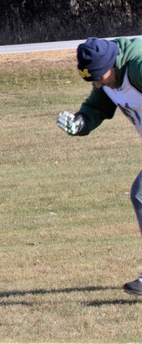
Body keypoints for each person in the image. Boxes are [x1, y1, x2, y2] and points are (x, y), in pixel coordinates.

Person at [56, 36, 142, 296]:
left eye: (100, 77)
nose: (98, 82)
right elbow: (97, 107)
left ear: (112, 63)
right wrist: (81, 122)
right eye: (92, 79)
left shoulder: (137, 67)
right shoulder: (108, 77)